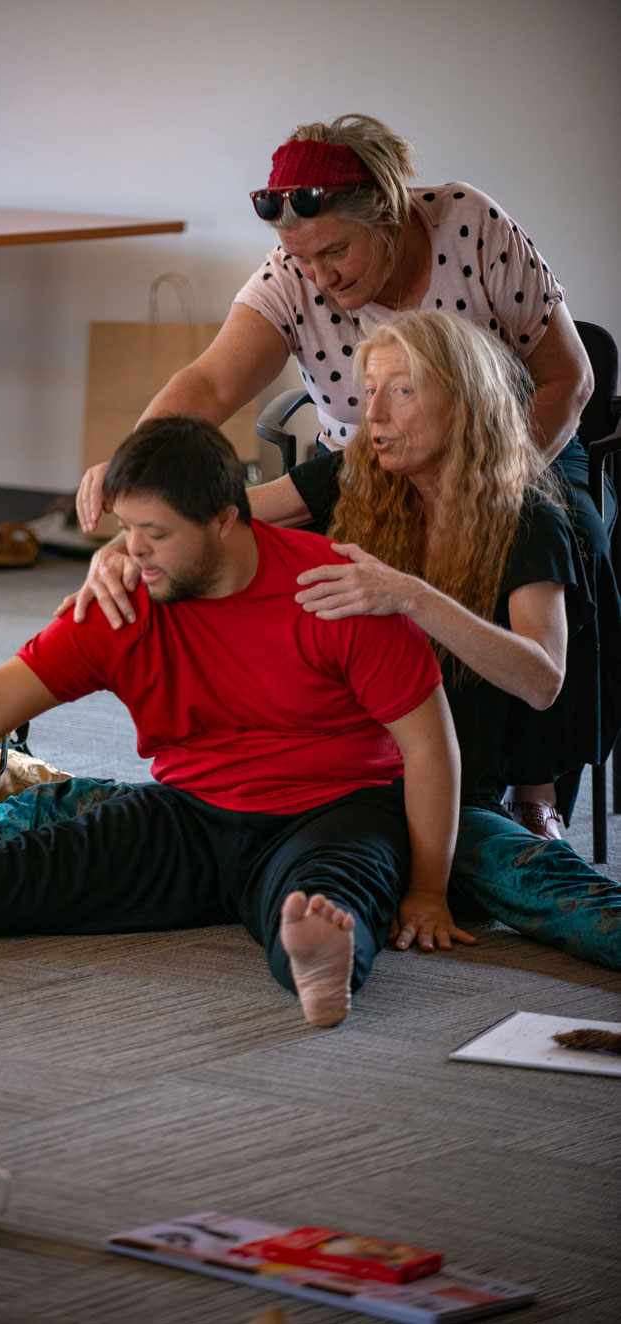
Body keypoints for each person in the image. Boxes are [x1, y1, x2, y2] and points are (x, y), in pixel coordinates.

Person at [0, 418, 471, 1030]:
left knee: (325, 895)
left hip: (332, 810)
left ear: (226, 518)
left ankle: (317, 966)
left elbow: (429, 744)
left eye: (154, 532)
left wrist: (429, 890)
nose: (130, 552)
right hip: (190, 813)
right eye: (125, 530)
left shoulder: (333, 587)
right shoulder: (125, 600)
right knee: (25, 872)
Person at [71, 113, 621, 834]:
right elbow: (208, 388)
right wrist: (140, 503)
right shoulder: (292, 276)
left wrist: (483, 487)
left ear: (388, 215)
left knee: (562, 541)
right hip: (371, 462)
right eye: (301, 258)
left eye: (334, 251)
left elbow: (571, 380)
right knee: (300, 570)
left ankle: (535, 788)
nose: (319, 276)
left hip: (517, 443)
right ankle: (324, 760)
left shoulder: (470, 225)